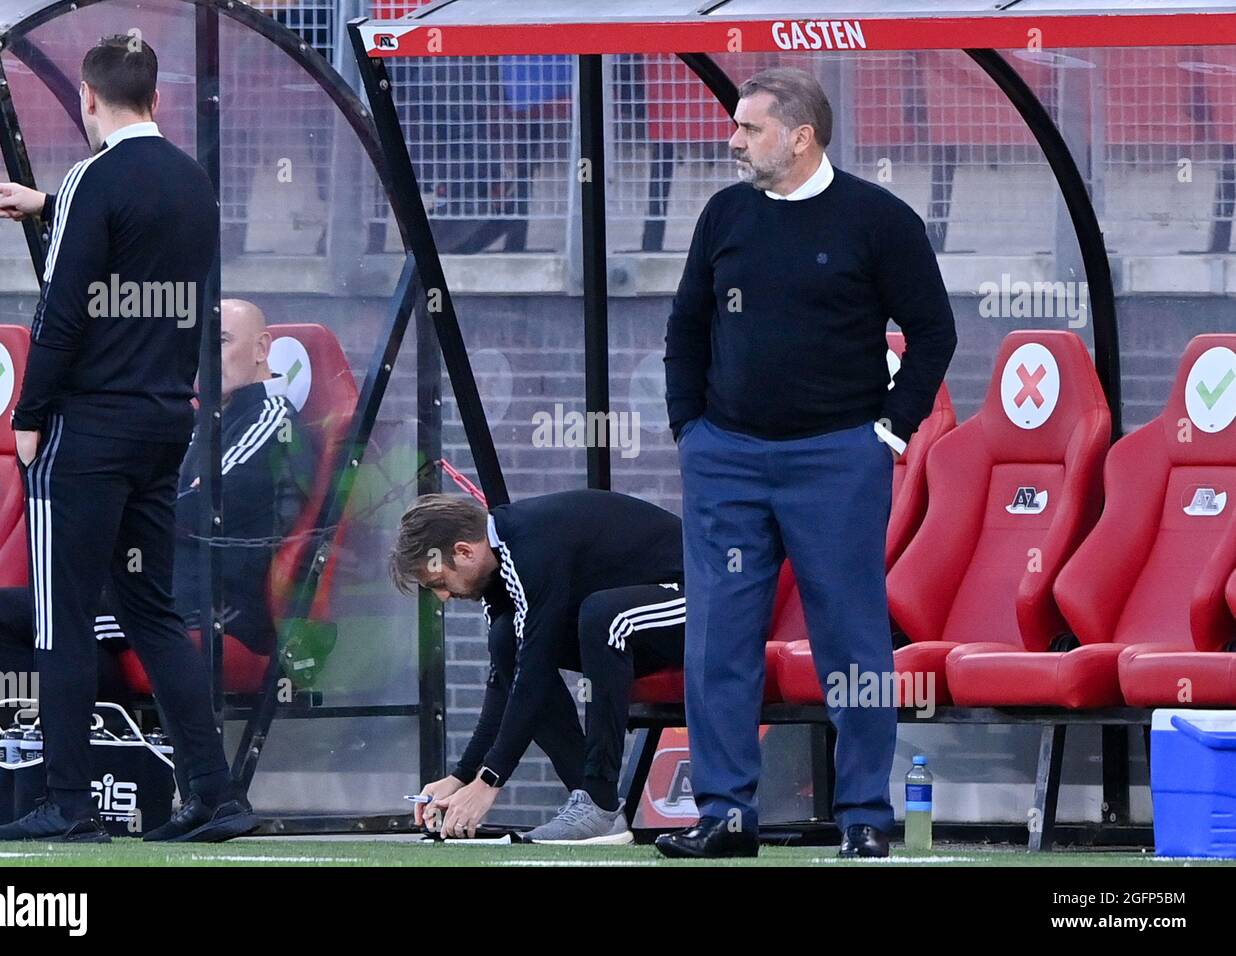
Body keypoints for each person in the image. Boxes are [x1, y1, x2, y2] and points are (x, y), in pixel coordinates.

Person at [661, 68, 957, 859]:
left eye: (750, 129)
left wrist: (889, 435)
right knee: (718, 636)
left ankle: (864, 817)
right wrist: (689, 429)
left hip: (837, 460)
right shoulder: (724, 213)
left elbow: (934, 333)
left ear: (800, 136)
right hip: (726, 456)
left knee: (852, 640)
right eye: (736, 127)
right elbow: (686, 325)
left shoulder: (878, 219)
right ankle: (724, 813)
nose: (733, 141)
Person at [0, 37, 257, 843]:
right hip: (163, 423)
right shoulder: (192, 182)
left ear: (89, 102)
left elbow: (61, 311)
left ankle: (68, 803)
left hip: (87, 429)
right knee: (151, 610)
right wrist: (52, 205)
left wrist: (27, 415)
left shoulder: (92, 178)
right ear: (157, 100)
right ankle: (214, 792)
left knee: (60, 616)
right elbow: (139, 250)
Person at [0, 298, 314, 712]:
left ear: (261, 348)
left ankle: (95, 740)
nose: (205, 356)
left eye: (221, 340)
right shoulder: (200, 419)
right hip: (148, 588)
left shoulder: (271, 416)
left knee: (3, 620)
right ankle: (103, 739)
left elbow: (198, 504)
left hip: (206, 603)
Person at [390, 490, 684, 844]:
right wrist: (462, 777)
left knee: (603, 617)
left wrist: (490, 781)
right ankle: (592, 804)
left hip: (702, 599)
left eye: (438, 583)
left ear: (465, 552)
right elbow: (506, 681)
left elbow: (535, 671)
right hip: (637, 624)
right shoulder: (500, 571)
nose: (442, 596)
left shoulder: (530, 548)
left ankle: (599, 801)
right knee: (506, 640)